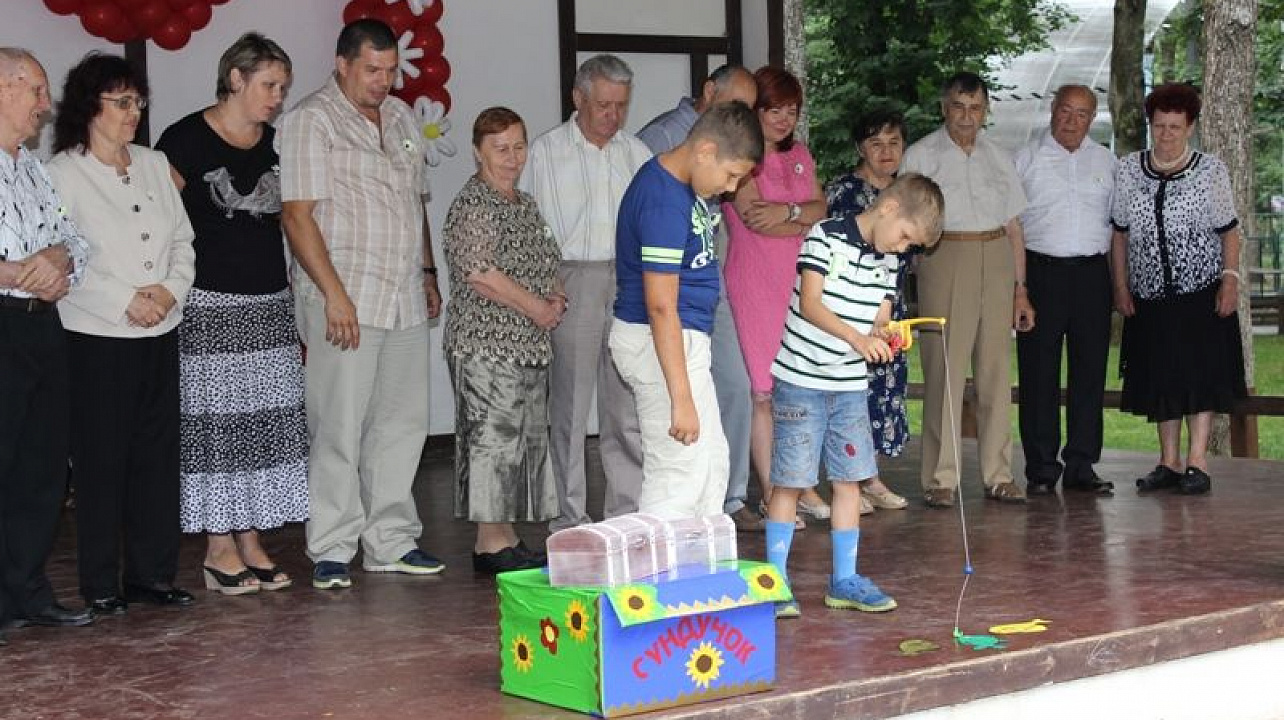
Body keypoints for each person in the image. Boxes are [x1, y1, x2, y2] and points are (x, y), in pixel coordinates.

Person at [279, 19, 444, 589]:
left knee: (402, 423)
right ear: (343, 63)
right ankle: (331, 544)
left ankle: (391, 540)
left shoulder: (399, 118)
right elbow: (297, 216)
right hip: (343, 298)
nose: (383, 81)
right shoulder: (309, 120)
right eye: (372, 70)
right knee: (339, 425)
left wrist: (426, 270)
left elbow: (413, 202)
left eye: (391, 70)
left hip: (400, 294)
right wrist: (334, 295)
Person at [155, 33, 307, 596]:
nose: (276, 97)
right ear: (235, 78)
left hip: (268, 303)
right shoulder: (185, 140)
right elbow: (161, 220)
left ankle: (251, 539)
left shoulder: (276, 144)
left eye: (283, 88)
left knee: (264, 428)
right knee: (218, 429)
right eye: (269, 85)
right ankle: (218, 547)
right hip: (210, 305)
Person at [48, 52, 196, 611]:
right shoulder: (61, 173)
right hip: (96, 334)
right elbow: (66, 259)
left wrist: (169, 291)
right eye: (122, 102)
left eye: (139, 102)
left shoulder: (155, 164)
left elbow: (183, 241)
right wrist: (125, 301)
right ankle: (101, 585)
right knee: (101, 461)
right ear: (90, 106)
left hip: (161, 328)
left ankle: (152, 575)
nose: (134, 112)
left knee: (156, 458)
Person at [766, 173, 945, 618]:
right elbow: (811, 303)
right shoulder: (823, 236)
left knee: (849, 478)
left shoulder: (889, 262)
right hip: (801, 380)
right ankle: (773, 581)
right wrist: (857, 340)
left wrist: (886, 336)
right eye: (905, 237)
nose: (903, 249)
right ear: (888, 208)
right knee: (790, 480)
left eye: (911, 247)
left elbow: (880, 318)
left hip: (848, 388)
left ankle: (844, 579)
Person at [609, 101, 762, 520]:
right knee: (678, 470)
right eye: (731, 175)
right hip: (659, 343)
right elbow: (660, 306)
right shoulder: (662, 200)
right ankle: (657, 579)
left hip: (682, 341)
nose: (731, 189)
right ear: (706, 150)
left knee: (710, 463)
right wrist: (681, 398)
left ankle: (699, 574)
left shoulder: (685, 188)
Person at [519, 54, 652, 530]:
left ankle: (626, 512)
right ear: (578, 99)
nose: (613, 116)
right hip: (569, 278)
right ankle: (568, 517)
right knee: (570, 407)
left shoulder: (637, 155)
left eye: (620, 105)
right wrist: (545, 283)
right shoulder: (545, 152)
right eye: (603, 105)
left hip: (625, 279)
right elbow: (528, 227)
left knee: (626, 405)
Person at [1110, 82, 1246, 495]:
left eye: (1175, 126)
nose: (1166, 134)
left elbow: (1230, 231)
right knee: (1161, 378)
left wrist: (1230, 279)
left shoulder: (1211, 171)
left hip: (1200, 293)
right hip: (1150, 296)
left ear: (1190, 127)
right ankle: (1167, 462)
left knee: (1198, 376)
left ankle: (1197, 462)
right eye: (1159, 126)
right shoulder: (1129, 170)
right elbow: (1118, 233)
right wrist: (1120, 285)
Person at [900, 71, 1028, 507]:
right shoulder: (921, 156)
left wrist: (1020, 289)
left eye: (975, 108)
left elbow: (1014, 227)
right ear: (944, 107)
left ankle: (999, 474)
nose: (966, 116)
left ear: (986, 110)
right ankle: (941, 479)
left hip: (995, 255)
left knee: (995, 372)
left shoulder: (999, 156)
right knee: (945, 370)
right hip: (944, 255)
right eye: (958, 106)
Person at [443, 107, 562, 574]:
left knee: (520, 443)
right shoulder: (474, 203)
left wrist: (555, 295)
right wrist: (538, 308)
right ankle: (489, 544)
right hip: (485, 345)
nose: (512, 158)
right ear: (477, 152)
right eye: (500, 149)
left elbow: (547, 258)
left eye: (518, 146)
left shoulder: (524, 203)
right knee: (491, 441)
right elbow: (480, 274)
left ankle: (507, 536)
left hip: (528, 344)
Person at [0, 47, 93, 643]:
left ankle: (27, 593)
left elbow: (74, 241)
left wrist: (57, 260)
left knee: (39, 471)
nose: (46, 104)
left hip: (43, 327)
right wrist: (14, 272)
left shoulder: (33, 168)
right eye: (34, 89)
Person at [723, 66, 830, 526]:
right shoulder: (740, 157)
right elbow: (753, 220)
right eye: (774, 109)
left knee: (799, 386)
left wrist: (792, 212)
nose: (784, 119)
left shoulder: (801, 154)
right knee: (763, 393)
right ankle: (770, 491)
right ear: (755, 110)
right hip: (754, 282)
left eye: (792, 110)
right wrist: (802, 218)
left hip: (798, 280)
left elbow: (822, 209)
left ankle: (800, 482)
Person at [1012, 84, 1117, 496]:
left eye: (1082, 114)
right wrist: (1018, 287)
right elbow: (1011, 227)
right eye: (1066, 111)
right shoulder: (1025, 159)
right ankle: (1040, 467)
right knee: (1038, 373)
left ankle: (1081, 464)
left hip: (1092, 274)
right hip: (1041, 272)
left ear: (1092, 118)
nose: (1072, 121)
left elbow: (1118, 228)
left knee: (1089, 371)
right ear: (1052, 110)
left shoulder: (1107, 162)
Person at [825, 107, 913, 516]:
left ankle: (871, 477)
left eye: (894, 142)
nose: (886, 151)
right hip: (854, 304)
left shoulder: (908, 192)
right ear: (861, 147)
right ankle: (850, 480)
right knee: (852, 394)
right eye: (876, 143)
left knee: (885, 390)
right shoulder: (845, 191)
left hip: (893, 304)